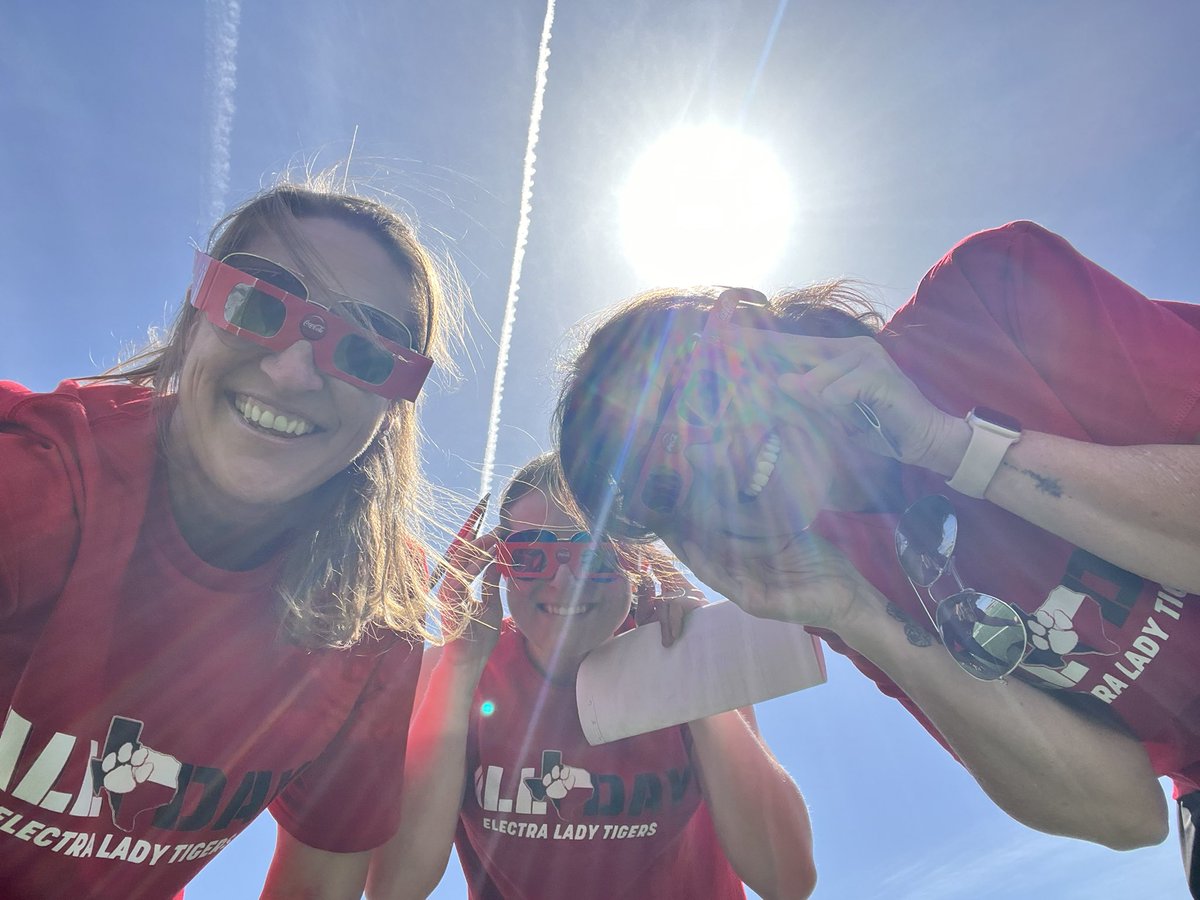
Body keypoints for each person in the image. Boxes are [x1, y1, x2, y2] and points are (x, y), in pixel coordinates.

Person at [553, 220, 1200, 893]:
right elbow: (1124, 813)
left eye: (702, 396)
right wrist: (858, 613)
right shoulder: (837, 572)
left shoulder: (990, 295)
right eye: (665, 486)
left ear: (747, 325)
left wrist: (946, 446)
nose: (713, 460)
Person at [0, 176, 463, 898]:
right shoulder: (35, 483)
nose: (291, 371)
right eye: (256, 304)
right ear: (194, 318)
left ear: (391, 409)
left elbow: (320, 883)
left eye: (367, 351)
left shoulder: (373, 612)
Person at [366, 452, 816, 899]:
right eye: (528, 556)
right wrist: (461, 668)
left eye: (596, 555)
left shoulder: (683, 651)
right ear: (495, 565)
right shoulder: (450, 670)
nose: (564, 581)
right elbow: (394, 889)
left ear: (638, 563)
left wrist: (691, 677)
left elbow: (787, 880)